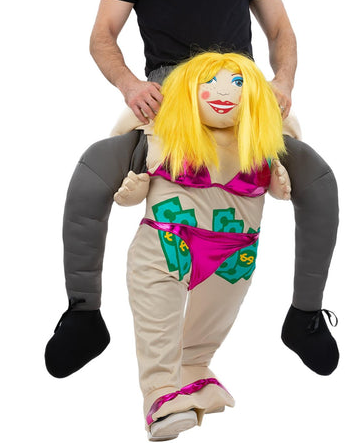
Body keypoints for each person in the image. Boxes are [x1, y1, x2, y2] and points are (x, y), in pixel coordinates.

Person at [45, 0, 339, 381]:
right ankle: (83, 314)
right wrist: (130, 85)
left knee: (318, 180)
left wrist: (283, 81)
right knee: (93, 174)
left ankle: (305, 315)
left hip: (239, 92)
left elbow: (280, 29)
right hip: (171, 93)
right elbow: (102, 35)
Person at [123, 52, 288, 440]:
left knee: (212, 321)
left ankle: (194, 370)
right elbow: (122, 177)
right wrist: (133, 189)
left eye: (237, 84)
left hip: (235, 250)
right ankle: (161, 392)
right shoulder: (161, 135)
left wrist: (279, 177)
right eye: (209, 83)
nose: (224, 92)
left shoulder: (261, 142)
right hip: (169, 242)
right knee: (158, 315)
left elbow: (297, 188)